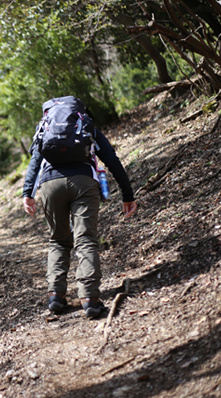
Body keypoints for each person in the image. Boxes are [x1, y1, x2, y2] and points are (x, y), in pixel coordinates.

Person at [22, 96, 137, 318]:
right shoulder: (85, 124)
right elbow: (111, 159)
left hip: (50, 184)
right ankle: (90, 299)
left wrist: (28, 193)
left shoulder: (44, 127)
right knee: (85, 240)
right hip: (83, 181)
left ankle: (56, 296)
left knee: (58, 240)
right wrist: (127, 194)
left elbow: (35, 161)